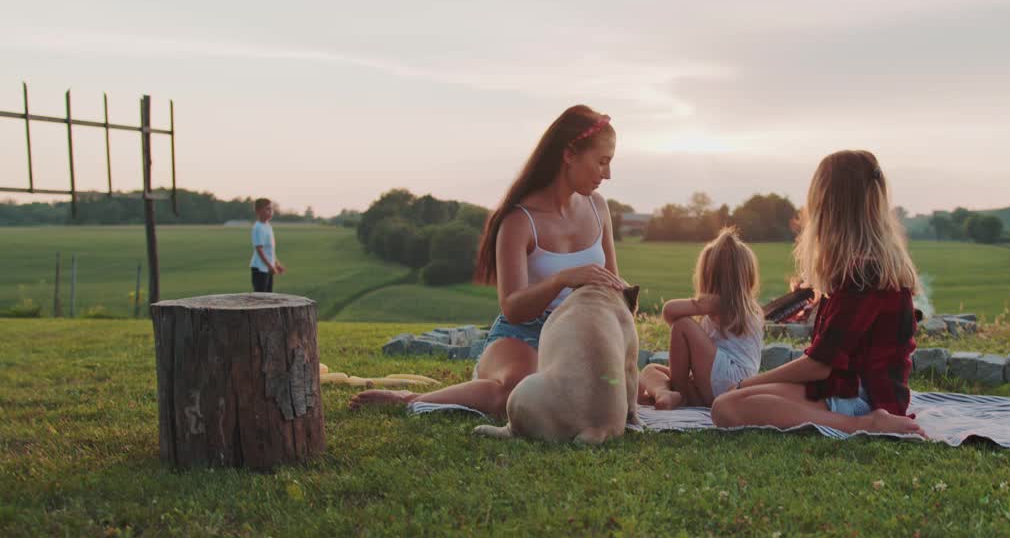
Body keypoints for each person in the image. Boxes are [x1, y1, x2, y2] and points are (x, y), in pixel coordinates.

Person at [349, 105, 627, 416]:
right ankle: (409, 398)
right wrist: (562, 279)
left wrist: (623, 297)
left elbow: (613, 284)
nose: (608, 174)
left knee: (615, 393)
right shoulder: (519, 221)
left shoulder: (598, 208)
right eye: (602, 162)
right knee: (516, 394)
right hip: (524, 333)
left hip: (579, 332)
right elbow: (512, 306)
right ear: (569, 154)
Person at [710, 150, 924, 437]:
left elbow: (819, 365)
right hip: (844, 389)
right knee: (727, 404)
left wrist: (748, 383)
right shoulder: (867, 268)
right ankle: (854, 420)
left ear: (828, 205)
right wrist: (751, 386)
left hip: (862, 400)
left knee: (727, 408)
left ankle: (862, 426)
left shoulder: (863, 275)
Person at [638, 227, 764, 410]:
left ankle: (678, 393)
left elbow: (669, 311)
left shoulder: (720, 304)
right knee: (652, 370)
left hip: (729, 379)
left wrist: (699, 303)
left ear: (708, 275)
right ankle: (663, 393)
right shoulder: (748, 309)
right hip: (728, 385)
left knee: (683, 325)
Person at [250, 198, 284, 292]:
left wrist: (276, 264)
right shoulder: (258, 227)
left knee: (269, 296)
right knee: (260, 298)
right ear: (258, 211)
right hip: (259, 268)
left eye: (271, 209)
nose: (270, 212)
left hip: (267, 268)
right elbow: (260, 250)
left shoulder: (268, 226)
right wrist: (270, 266)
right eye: (267, 209)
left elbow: (270, 250)